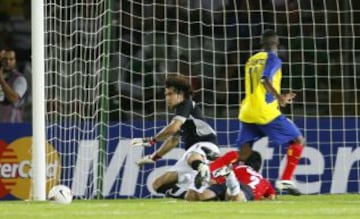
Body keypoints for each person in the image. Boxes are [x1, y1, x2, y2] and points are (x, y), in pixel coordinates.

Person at [236, 29, 305, 195]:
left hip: (247, 110)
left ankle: (231, 180)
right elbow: (264, 79)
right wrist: (279, 97)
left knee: (244, 152)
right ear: (277, 44)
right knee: (298, 140)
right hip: (265, 112)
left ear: (261, 43)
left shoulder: (252, 60)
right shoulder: (274, 58)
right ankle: (286, 180)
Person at [131, 74, 220, 197]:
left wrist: (151, 141)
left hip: (205, 147)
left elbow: (172, 129)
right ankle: (193, 193)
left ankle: (203, 170)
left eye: (170, 94)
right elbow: (173, 141)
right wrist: (154, 157)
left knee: (193, 156)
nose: (167, 98)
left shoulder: (187, 104)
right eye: (166, 95)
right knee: (158, 184)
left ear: (181, 94)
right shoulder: (181, 114)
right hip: (192, 152)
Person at [186, 150, 276, 202]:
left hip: (226, 182)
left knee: (200, 196)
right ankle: (233, 186)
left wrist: (207, 182)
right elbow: (272, 197)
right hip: (247, 188)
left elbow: (213, 181)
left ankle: (230, 182)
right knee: (237, 199)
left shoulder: (237, 167)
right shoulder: (264, 181)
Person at [0, 49, 28, 122]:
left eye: (11, 59)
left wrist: (2, 81)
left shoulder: (20, 79)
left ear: (15, 61)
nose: (7, 62)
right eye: (4, 59)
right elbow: (1, 98)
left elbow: (14, 98)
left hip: (13, 124)